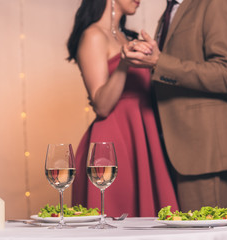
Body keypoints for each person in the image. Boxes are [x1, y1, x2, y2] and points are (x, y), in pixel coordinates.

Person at [121, 0, 227, 212]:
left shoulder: (216, 3)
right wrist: (144, 55)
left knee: (203, 234)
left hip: (203, 152)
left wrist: (159, 62)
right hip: (167, 147)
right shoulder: (170, 10)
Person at [67, 0, 179, 217]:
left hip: (145, 137)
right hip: (114, 143)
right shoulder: (93, 35)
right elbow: (101, 105)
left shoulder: (129, 37)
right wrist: (124, 64)